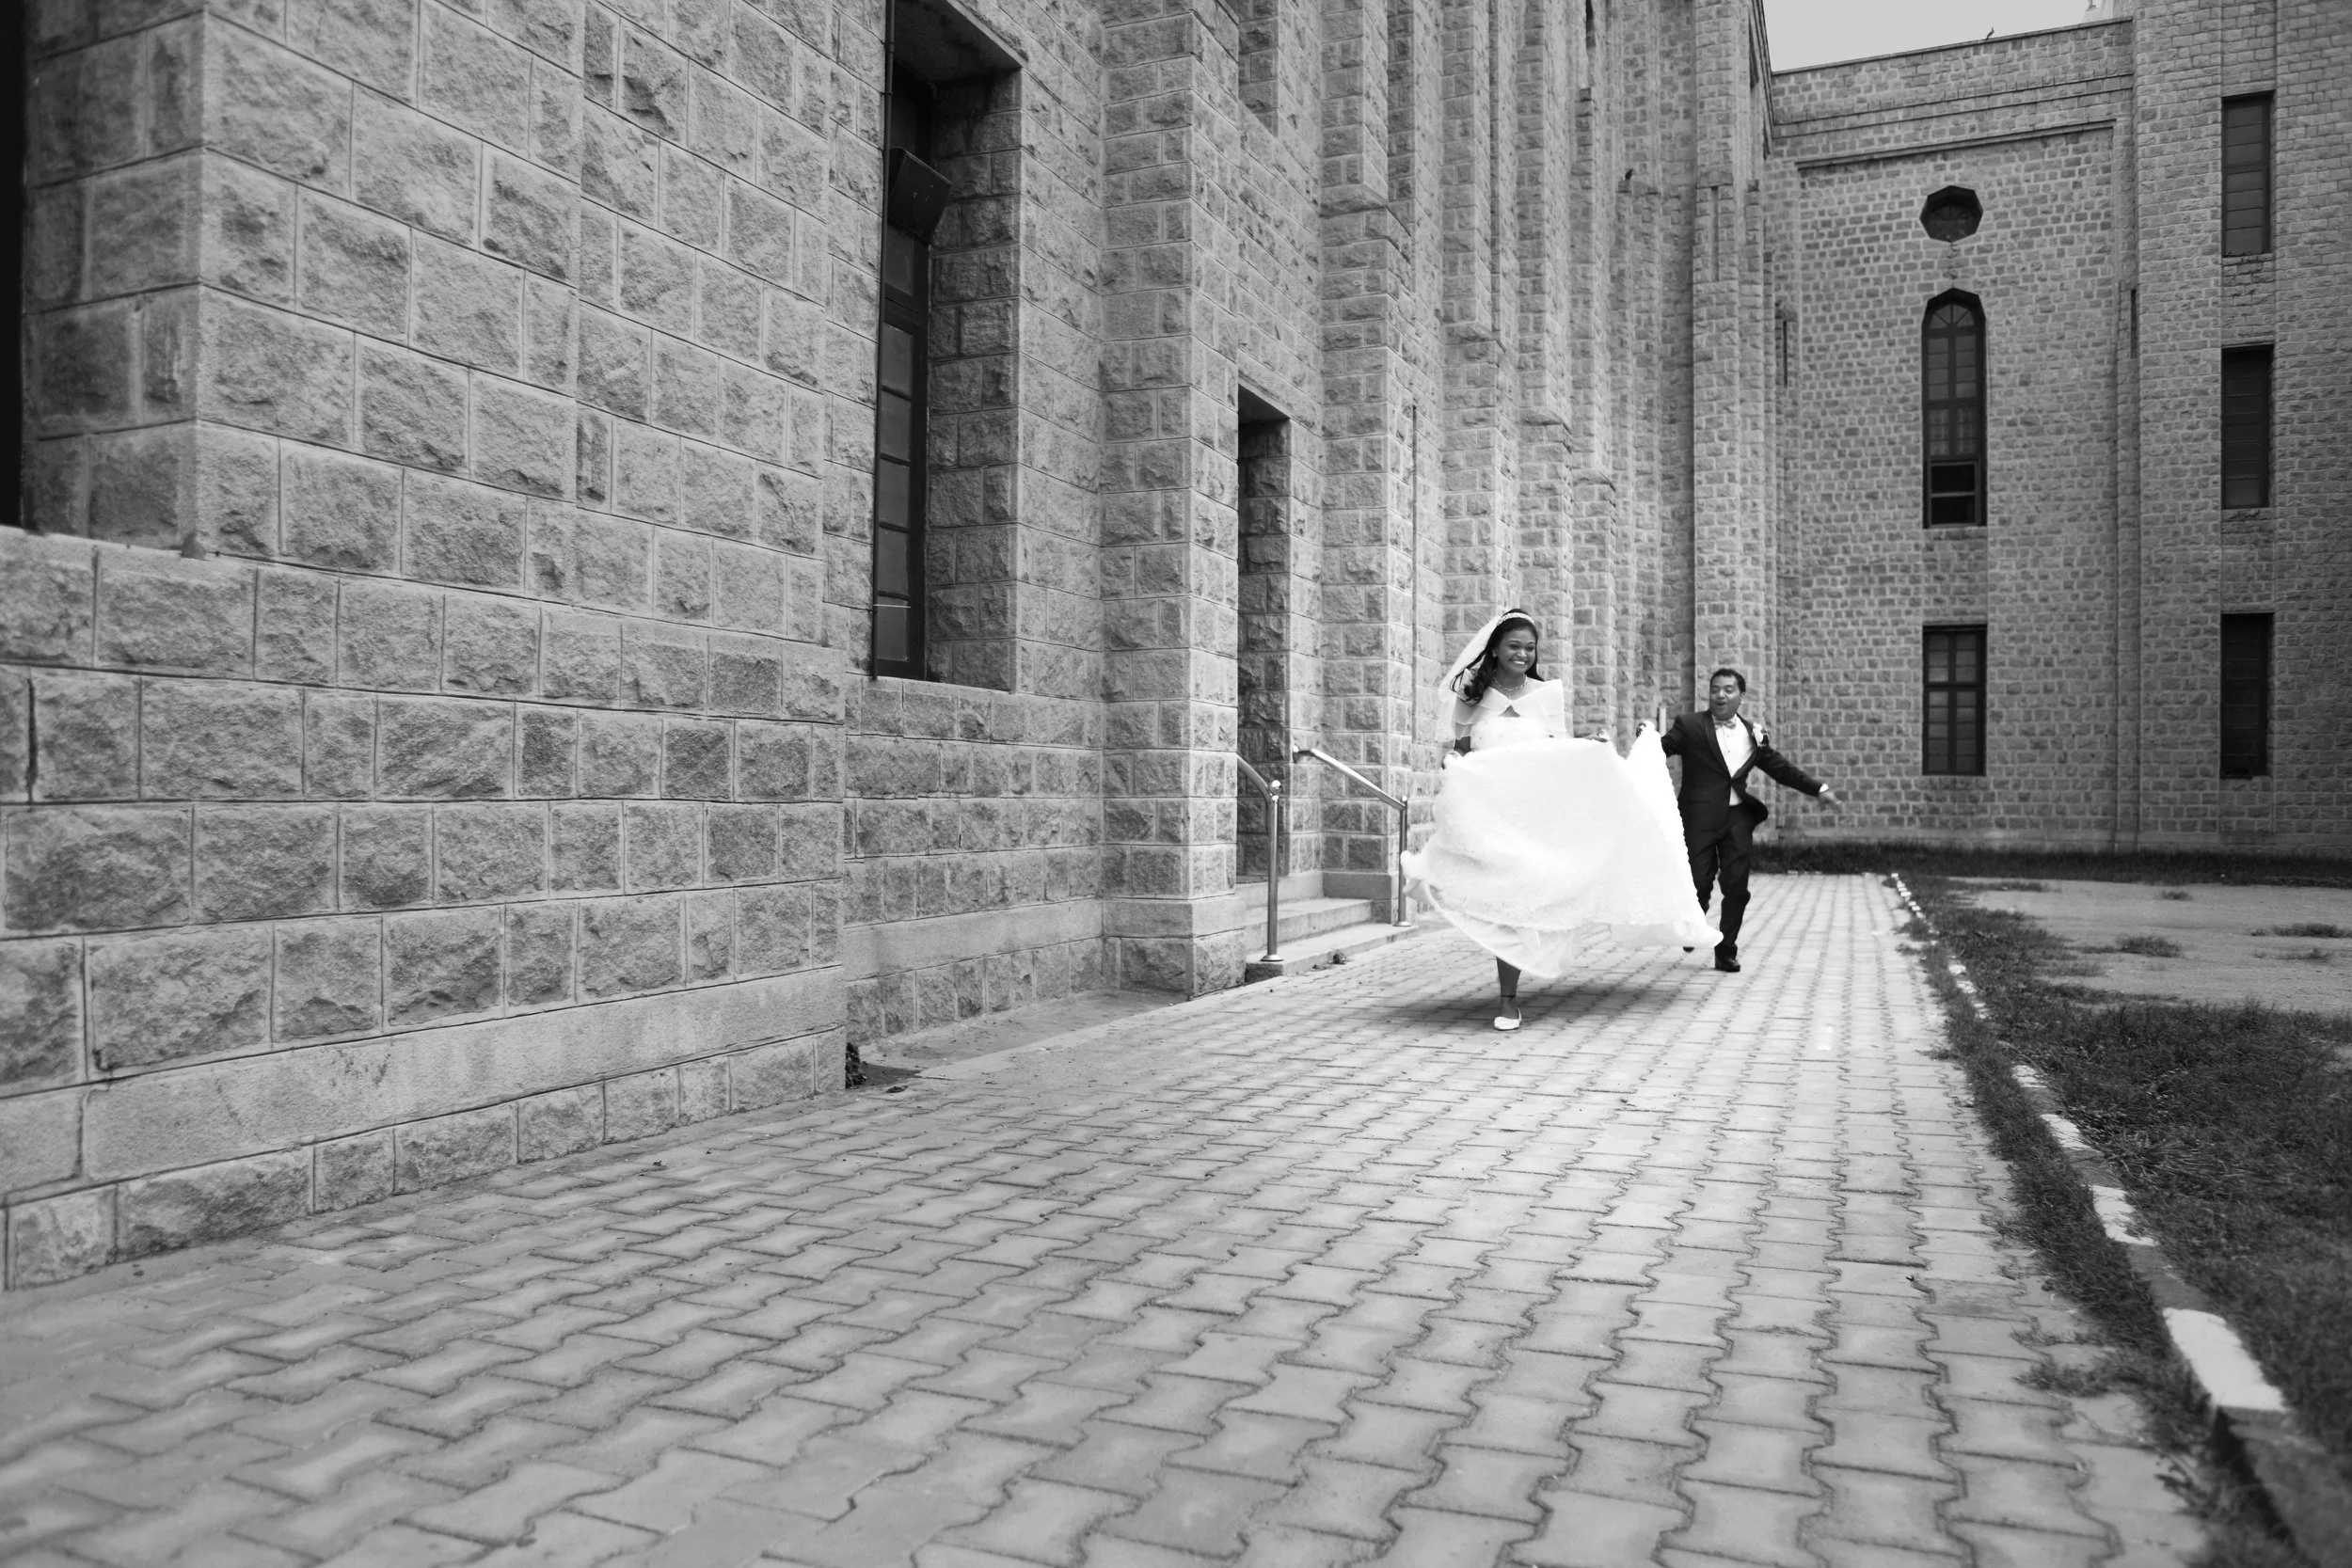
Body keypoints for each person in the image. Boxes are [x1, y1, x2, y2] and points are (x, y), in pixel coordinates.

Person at [1405, 610, 1719, 1031]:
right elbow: (1460, 749)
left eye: (1530, 648)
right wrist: (1454, 764)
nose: (1522, 653)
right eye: (1514, 645)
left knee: (1523, 901)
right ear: (1495, 648)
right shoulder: (1471, 698)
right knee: (1501, 903)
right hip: (1493, 814)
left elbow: (1557, 747)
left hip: (1535, 813)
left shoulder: (1547, 693)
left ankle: (1508, 1000)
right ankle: (1509, 995)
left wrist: (1588, 745)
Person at [1657, 668, 1838, 974]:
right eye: (1715, 689)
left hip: (1737, 818)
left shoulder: (1754, 733)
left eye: (1728, 690)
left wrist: (1817, 789)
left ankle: (1725, 950)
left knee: (1737, 888)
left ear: (1741, 696)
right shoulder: (1689, 726)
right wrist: (1646, 738)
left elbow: (1780, 769)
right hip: (1699, 817)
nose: (1721, 695)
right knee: (1698, 884)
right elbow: (1665, 746)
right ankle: (1693, 923)